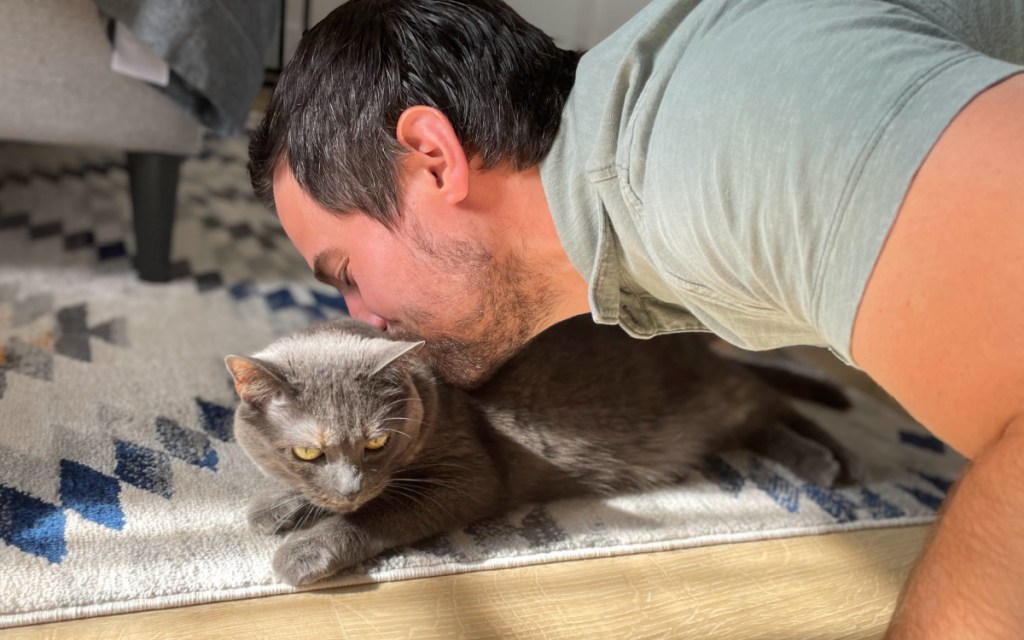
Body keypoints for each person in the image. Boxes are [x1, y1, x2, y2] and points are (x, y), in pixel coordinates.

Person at [248, 0, 1024, 636]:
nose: (359, 317)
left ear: (434, 158)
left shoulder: (728, 144)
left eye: (346, 273)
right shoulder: (626, 223)